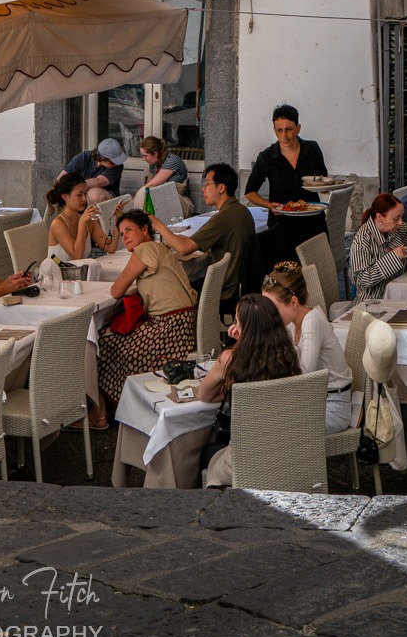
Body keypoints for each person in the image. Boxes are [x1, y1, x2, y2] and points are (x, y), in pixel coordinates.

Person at [93, 207, 198, 419]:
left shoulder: (145, 250)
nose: (125, 237)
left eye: (129, 230)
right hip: (186, 326)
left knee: (103, 341)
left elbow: (116, 291)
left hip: (168, 328)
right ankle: (118, 405)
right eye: (122, 234)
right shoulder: (160, 248)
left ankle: (103, 410)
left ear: (144, 230)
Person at [197, 294, 303, 486]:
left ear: (245, 328)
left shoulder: (231, 359)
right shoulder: (288, 355)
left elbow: (204, 394)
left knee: (204, 453)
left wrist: (237, 346)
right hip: (287, 454)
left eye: (238, 321)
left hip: (245, 459)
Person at [262, 261, 354, 432]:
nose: (269, 314)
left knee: (269, 427)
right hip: (313, 401)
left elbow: (305, 375)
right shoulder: (291, 322)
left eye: (273, 308)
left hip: (332, 408)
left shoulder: (312, 320)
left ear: (294, 302)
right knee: (261, 416)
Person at [153, 163, 257, 296]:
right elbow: (195, 241)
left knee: (168, 287)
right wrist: (172, 237)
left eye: (207, 184)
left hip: (222, 289)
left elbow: (184, 249)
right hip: (238, 285)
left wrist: (158, 225)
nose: (203, 189)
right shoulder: (241, 210)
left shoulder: (223, 217)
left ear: (221, 188)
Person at [348, 194, 407, 301]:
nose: (400, 222)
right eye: (396, 218)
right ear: (379, 217)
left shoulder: (393, 229)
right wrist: (394, 257)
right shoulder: (362, 242)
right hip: (374, 303)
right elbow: (361, 280)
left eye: (401, 217)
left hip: (400, 295)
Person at [244, 104, 328, 213]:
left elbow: (324, 184)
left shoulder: (312, 149)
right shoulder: (267, 156)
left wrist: (329, 188)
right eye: (279, 130)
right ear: (274, 130)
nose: (284, 136)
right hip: (281, 222)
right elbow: (250, 192)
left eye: (289, 129)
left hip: (313, 219)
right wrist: (269, 205)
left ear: (298, 128)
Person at [46, 171, 113, 260]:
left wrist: (117, 219)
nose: (84, 198)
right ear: (65, 197)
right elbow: (77, 257)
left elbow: (110, 247)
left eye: (85, 193)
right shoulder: (58, 224)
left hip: (79, 271)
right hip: (57, 272)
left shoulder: (87, 220)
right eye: (79, 195)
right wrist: (82, 223)